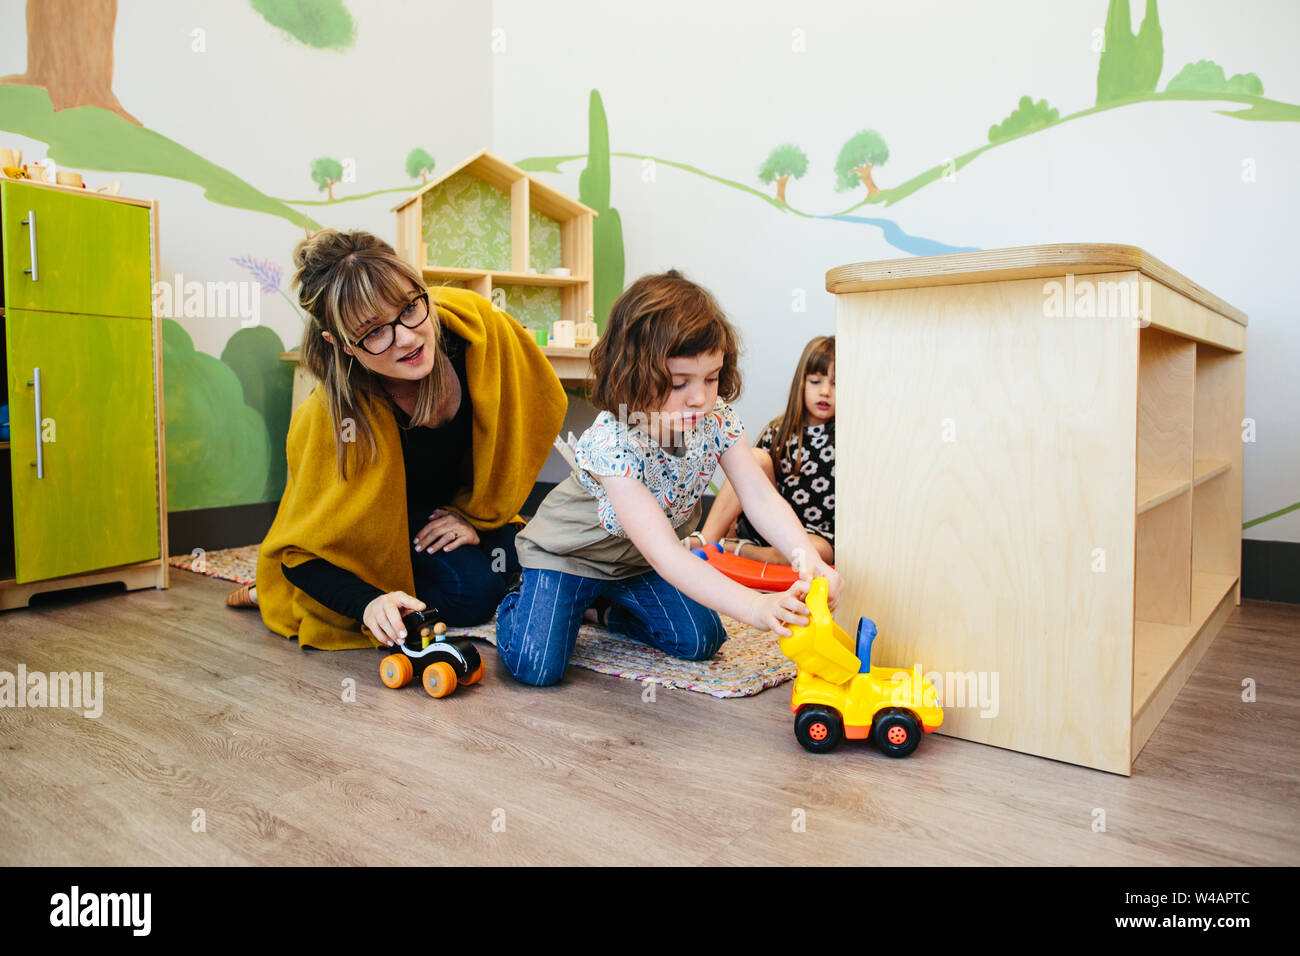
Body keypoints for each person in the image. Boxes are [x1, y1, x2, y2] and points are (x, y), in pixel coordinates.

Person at [495, 270, 841, 686]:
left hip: (634, 564)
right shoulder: (614, 442)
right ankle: (521, 598)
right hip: (569, 558)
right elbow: (667, 554)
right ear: (634, 376)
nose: (700, 397)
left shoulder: (716, 420)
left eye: (711, 378)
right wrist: (753, 607)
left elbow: (760, 498)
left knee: (699, 638)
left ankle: (600, 608)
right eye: (679, 383)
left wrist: (808, 558)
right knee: (538, 666)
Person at [227, 229, 566, 650]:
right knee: (474, 593)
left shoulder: (477, 331)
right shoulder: (330, 417)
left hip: (451, 507)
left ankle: (474, 543)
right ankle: (274, 591)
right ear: (342, 345)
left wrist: (474, 516)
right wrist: (370, 602)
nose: (406, 337)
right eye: (372, 332)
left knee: (537, 549)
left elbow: (537, 399)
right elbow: (299, 553)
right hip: (383, 522)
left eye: (409, 307)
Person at [697, 336, 835, 565]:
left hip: (811, 539)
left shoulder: (845, 441)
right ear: (801, 383)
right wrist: (731, 524)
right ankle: (707, 541)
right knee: (755, 458)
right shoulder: (779, 431)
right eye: (816, 381)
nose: (825, 392)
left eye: (835, 384)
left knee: (818, 550)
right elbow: (747, 481)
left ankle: (739, 550)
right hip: (769, 527)